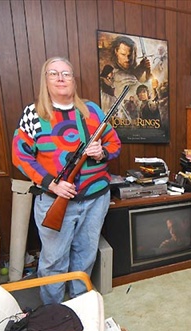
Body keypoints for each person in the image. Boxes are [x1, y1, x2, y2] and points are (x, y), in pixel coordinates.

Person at [12, 57, 121, 304]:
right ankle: (54, 313)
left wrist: (102, 151)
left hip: (96, 200)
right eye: (53, 73)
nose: (61, 78)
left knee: (85, 256)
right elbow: (20, 157)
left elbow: (115, 144)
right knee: (53, 261)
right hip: (54, 200)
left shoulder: (92, 110)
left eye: (66, 74)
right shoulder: (33, 114)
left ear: (73, 80)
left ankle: (80, 306)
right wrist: (51, 183)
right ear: (45, 80)